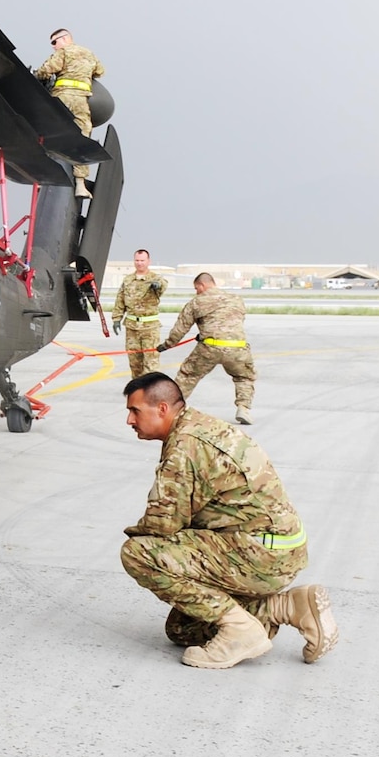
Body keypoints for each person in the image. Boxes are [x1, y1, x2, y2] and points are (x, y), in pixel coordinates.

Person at [119, 371, 336, 668]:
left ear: (162, 408)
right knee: (184, 629)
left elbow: (162, 525)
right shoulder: (200, 426)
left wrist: (135, 533)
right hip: (275, 548)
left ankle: (240, 630)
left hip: (258, 553)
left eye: (134, 411)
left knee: (139, 554)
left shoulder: (185, 447)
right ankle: (287, 607)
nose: (130, 420)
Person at [165, 273, 256, 423]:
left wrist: (167, 345)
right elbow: (234, 321)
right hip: (238, 348)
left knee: (188, 376)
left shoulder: (196, 302)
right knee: (244, 377)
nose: (196, 292)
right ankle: (243, 408)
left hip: (210, 348)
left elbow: (180, 329)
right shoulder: (236, 299)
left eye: (196, 288)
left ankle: (172, 409)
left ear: (202, 285)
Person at [33, 28, 105, 196]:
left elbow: (46, 70)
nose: (53, 47)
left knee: (49, 134)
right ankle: (80, 184)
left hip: (62, 97)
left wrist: (37, 76)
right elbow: (100, 72)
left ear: (64, 39)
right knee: (82, 137)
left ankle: (42, 177)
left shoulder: (64, 52)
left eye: (54, 42)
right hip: (81, 101)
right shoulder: (89, 54)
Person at [112, 249, 170, 376]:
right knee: (135, 364)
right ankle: (138, 392)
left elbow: (163, 284)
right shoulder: (128, 280)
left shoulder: (155, 278)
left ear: (148, 261)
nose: (139, 263)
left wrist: (157, 285)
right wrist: (117, 319)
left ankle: (151, 392)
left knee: (151, 364)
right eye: (137, 260)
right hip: (132, 328)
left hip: (150, 329)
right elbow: (120, 300)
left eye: (142, 260)